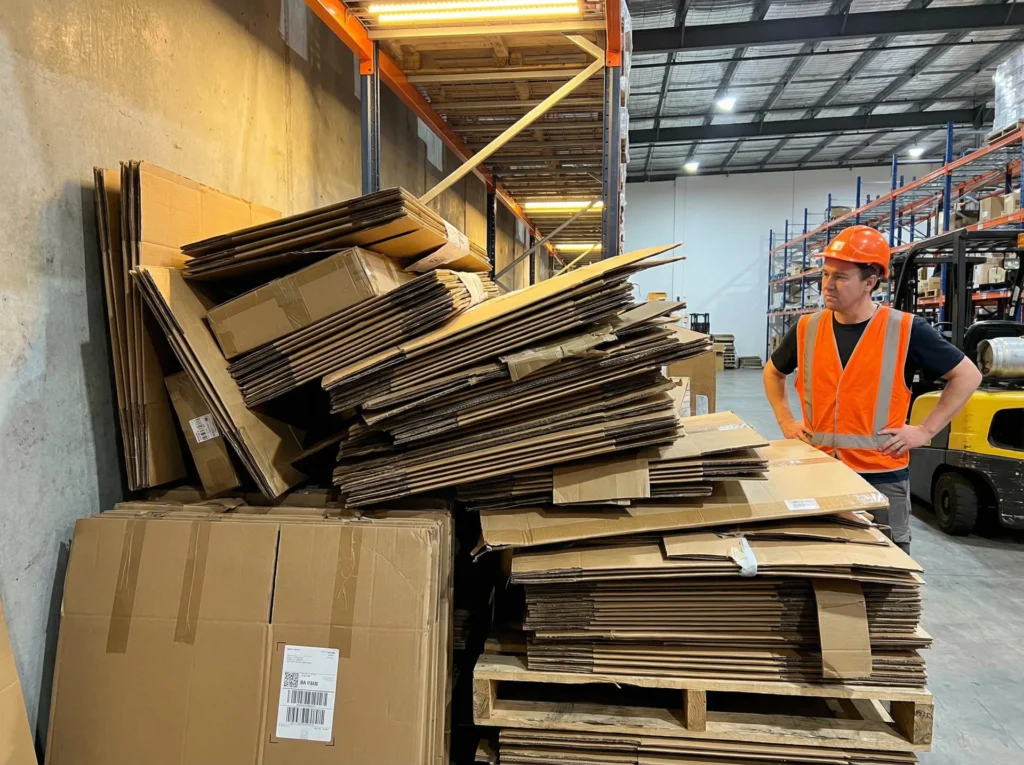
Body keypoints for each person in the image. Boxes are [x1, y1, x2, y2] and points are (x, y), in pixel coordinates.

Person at [763, 225, 982, 553]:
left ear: (870, 282)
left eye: (841, 277)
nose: (828, 284)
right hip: (818, 468)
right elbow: (772, 372)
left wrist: (924, 431)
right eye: (825, 274)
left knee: (885, 563)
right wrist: (785, 420)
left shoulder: (905, 329)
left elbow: (967, 375)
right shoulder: (807, 327)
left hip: (880, 475)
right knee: (819, 558)